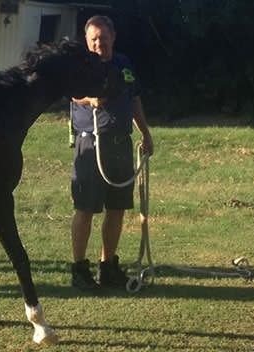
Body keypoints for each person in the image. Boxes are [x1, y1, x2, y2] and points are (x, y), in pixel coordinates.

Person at [69, 15, 154, 290]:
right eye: (93, 39)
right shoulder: (80, 65)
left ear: (113, 38)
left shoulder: (123, 63)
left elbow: (134, 97)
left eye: (103, 39)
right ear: (86, 40)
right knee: (86, 208)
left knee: (117, 207)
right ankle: (80, 270)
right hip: (92, 143)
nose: (98, 44)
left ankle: (108, 266)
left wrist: (145, 132)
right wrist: (88, 98)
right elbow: (72, 93)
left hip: (120, 143)